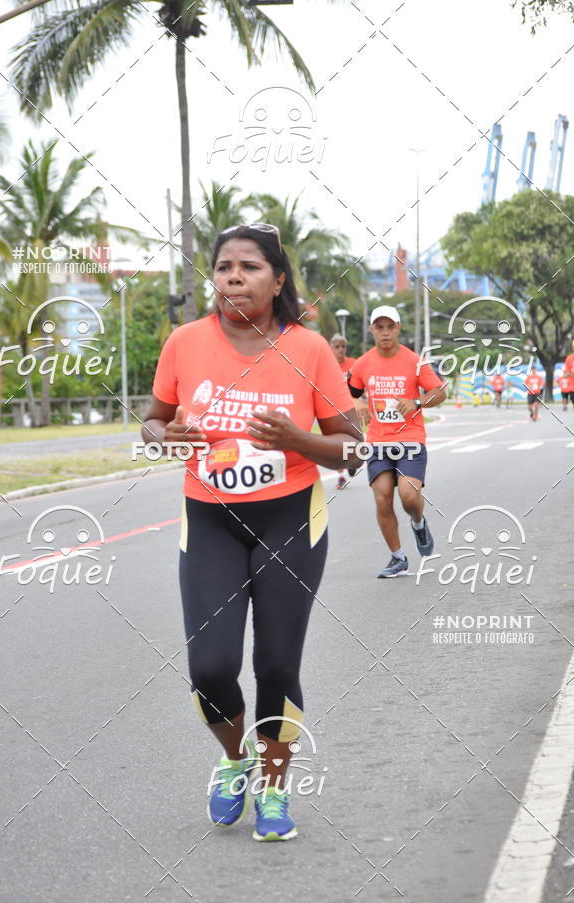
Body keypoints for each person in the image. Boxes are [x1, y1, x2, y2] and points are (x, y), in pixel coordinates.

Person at [143, 223, 360, 842]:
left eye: (250, 266)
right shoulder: (185, 342)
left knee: (276, 664)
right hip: (210, 518)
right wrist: (165, 436)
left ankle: (274, 788)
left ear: (278, 278)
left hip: (290, 517)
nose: (234, 276)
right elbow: (152, 423)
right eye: (224, 267)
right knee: (211, 666)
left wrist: (297, 440)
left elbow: (352, 447)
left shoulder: (308, 349)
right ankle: (236, 760)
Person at [348, 305, 447, 578]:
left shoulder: (415, 361)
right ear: (372, 330)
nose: (385, 333)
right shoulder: (363, 363)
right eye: (379, 327)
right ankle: (398, 557)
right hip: (378, 441)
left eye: (390, 327)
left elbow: (439, 392)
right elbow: (346, 392)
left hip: (410, 438)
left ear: (398, 328)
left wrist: (417, 401)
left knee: (408, 496)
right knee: (382, 498)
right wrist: (357, 402)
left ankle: (418, 522)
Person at [329, 333, 358, 489]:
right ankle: (340, 476)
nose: (341, 349)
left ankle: (352, 460)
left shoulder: (354, 364)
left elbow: (361, 384)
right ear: (331, 348)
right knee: (335, 443)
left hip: (351, 410)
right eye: (337, 346)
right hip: (332, 411)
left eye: (343, 346)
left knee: (351, 440)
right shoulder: (326, 365)